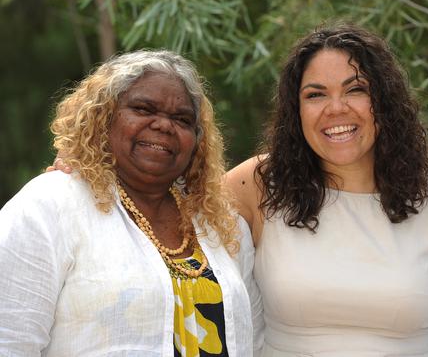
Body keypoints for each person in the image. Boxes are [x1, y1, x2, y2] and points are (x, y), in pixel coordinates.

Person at [226, 24, 428, 356]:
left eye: (355, 89)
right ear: (295, 111)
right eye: (315, 94)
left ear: (384, 100)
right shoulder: (257, 184)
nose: (336, 108)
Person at [0, 50, 254, 356]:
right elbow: (9, 339)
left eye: (182, 119)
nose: (163, 125)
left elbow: (255, 332)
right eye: (144, 109)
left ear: (197, 141)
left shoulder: (220, 223)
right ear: (103, 117)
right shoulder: (51, 206)